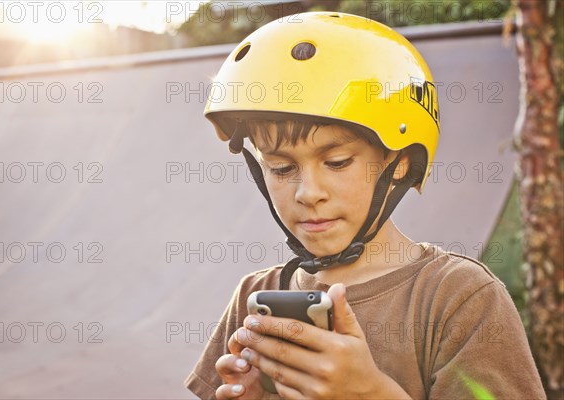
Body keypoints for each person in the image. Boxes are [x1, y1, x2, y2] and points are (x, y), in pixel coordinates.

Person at [185, 11, 546, 399]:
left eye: (337, 162)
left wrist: (370, 392)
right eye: (281, 166)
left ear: (400, 162)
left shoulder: (459, 300)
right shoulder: (257, 295)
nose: (308, 192)